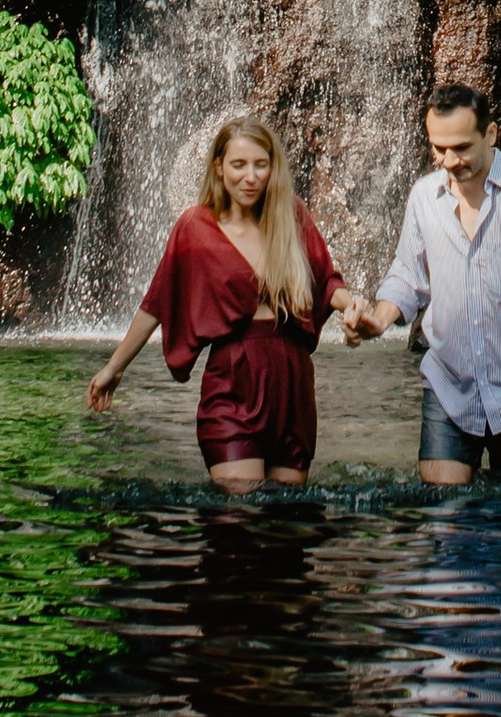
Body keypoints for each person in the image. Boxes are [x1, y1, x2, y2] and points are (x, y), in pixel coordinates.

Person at [85, 113, 366, 489]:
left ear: (273, 167)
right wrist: (114, 369)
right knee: (239, 513)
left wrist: (351, 307)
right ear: (219, 168)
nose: (250, 177)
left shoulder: (291, 215)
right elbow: (157, 301)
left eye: (260, 165)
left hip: (292, 382)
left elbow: (327, 281)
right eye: (238, 165)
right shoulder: (196, 227)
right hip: (233, 379)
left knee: (288, 520)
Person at [346, 81, 501, 485]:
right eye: (438, 148)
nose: (449, 160)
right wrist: (378, 319)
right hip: (450, 387)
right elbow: (408, 276)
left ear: (491, 134)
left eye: (461, 147)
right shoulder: (424, 197)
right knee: (442, 513)